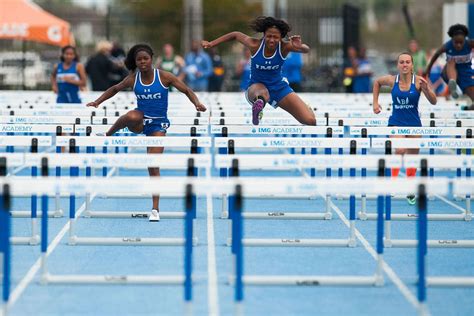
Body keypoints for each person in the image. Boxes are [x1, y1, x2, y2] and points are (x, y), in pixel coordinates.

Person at [86, 44, 207, 221]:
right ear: (135, 62)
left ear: (151, 59)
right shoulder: (134, 78)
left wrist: (196, 103)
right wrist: (97, 102)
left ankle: (155, 209)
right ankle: (108, 135)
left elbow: (187, 90)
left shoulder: (164, 76)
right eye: (139, 59)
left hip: (158, 126)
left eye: (145, 59)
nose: (142, 62)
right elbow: (114, 89)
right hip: (141, 122)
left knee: (152, 165)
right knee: (131, 115)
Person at [202, 16, 315, 125]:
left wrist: (300, 47)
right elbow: (235, 35)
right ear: (264, 35)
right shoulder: (254, 45)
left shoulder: (284, 47)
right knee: (262, 94)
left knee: (310, 121)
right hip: (257, 87)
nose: (271, 40)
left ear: (280, 38)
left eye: (275, 37)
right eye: (269, 36)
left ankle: (305, 108)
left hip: (279, 87)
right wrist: (212, 43)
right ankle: (258, 107)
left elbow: (306, 50)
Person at [373, 52, 437, 204]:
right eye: (402, 62)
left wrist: (427, 90)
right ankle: (393, 183)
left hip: (414, 123)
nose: (405, 65)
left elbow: (434, 101)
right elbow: (377, 82)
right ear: (398, 65)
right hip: (396, 122)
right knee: (400, 150)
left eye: (408, 62)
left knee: (412, 159)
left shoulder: (419, 82)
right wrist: (375, 103)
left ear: (412, 65)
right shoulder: (391, 80)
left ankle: (410, 188)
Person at [424, 24, 474, 109]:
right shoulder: (447, 46)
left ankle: (468, 108)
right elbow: (436, 55)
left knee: (471, 94)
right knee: (451, 62)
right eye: (456, 42)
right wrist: (428, 69)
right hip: (449, 71)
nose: (458, 45)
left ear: (465, 40)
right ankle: (452, 83)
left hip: (466, 72)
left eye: (461, 43)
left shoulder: (470, 43)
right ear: (452, 39)